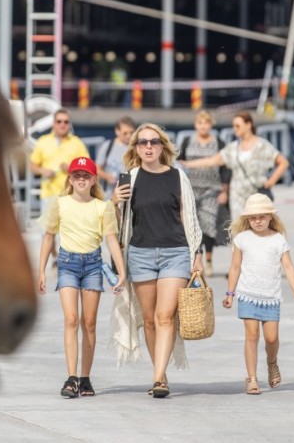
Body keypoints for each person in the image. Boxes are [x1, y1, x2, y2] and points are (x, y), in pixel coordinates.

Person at [110, 123, 202, 398]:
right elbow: (119, 224)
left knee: (165, 316)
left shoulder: (178, 177)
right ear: (136, 148)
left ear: (163, 146)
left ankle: (159, 378)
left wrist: (196, 254)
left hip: (176, 253)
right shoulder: (130, 178)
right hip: (140, 254)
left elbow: (190, 217)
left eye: (153, 142)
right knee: (149, 320)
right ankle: (159, 372)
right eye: (142, 143)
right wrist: (113, 201)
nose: (148, 146)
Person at [38, 157, 127, 398]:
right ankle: (71, 378)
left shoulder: (102, 207)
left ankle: (85, 377)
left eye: (85, 175)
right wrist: (42, 271)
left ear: (94, 180)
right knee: (71, 319)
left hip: (92, 266)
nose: (81, 179)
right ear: (70, 179)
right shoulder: (60, 204)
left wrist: (121, 271)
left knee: (89, 323)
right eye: (76, 175)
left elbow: (111, 240)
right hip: (67, 264)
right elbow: (48, 237)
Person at [222, 193, 294, 395]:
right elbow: (234, 267)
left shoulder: (278, 239)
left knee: (271, 338)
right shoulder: (242, 239)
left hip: (271, 297)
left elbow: (288, 266)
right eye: (253, 218)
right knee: (251, 336)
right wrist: (230, 293)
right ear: (247, 219)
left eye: (262, 217)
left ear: (270, 217)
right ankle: (251, 378)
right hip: (247, 294)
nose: (257, 221)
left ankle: (272, 362)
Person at [179, 110, 289, 221]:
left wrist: (271, 182)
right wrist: (188, 164)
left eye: (238, 126)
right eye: (233, 126)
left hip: (256, 197)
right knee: (239, 232)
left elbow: (283, 162)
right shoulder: (233, 148)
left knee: (258, 229)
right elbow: (211, 161)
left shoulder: (262, 146)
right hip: (237, 199)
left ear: (248, 125)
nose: (235, 129)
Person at [176, 110, 231, 277]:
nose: (203, 126)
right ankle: (194, 259)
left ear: (211, 125)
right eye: (200, 123)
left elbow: (225, 168)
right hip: (191, 189)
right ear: (195, 125)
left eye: (206, 123)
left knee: (207, 225)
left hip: (212, 189)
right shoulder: (187, 141)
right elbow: (179, 162)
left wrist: (225, 191)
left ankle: (208, 261)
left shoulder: (219, 143)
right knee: (192, 225)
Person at [30, 108, 91, 214]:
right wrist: (43, 171)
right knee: (48, 230)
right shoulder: (43, 141)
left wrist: (71, 168)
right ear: (53, 124)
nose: (62, 125)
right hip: (49, 194)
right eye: (59, 121)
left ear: (69, 124)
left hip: (72, 195)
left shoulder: (77, 143)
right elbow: (32, 166)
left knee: (70, 230)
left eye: (66, 122)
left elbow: (88, 168)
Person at [95, 116, 136, 193]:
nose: (129, 136)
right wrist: (106, 176)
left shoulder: (136, 148)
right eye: (125, 133)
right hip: (108, 194)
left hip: (128, 194)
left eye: (131, 132)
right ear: (117, 131)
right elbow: (97, 169)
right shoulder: (107, 146)